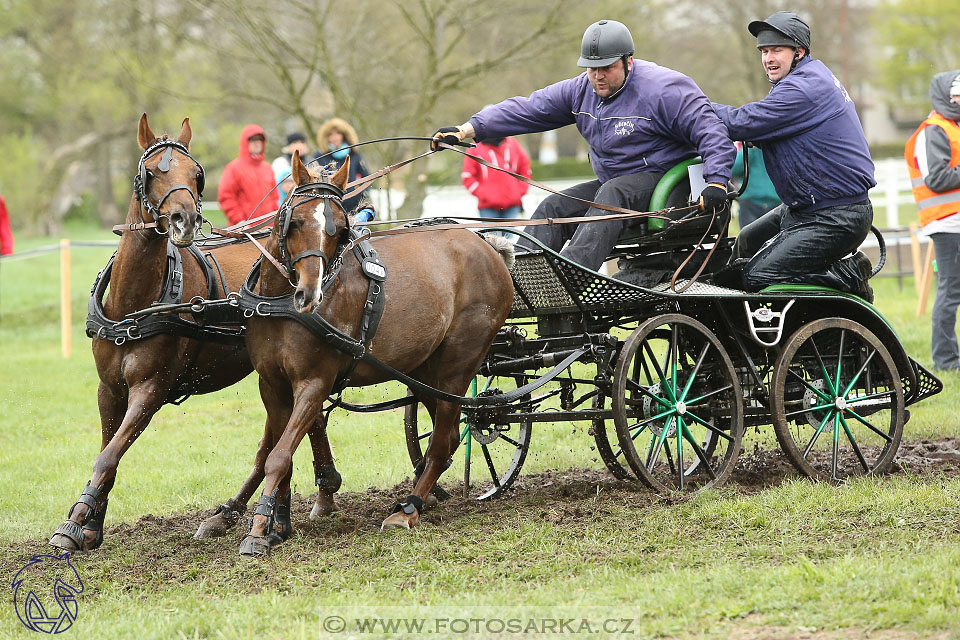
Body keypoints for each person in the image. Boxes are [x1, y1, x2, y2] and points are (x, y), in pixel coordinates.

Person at [431, 19, 735, 272]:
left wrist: (718, 182)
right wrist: (466, 129)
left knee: (612, 193)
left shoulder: (665, 89)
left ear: (629, 61)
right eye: (592, 68)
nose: (598, 76)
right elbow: (528, 108)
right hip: (616, 186)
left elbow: (711, 131)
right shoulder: (581, 89)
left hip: (669, 185)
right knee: (555, 206)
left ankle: (573, 279)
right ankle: (518, 278)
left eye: (607, 68)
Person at [712, 11, 876, 298]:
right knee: (746, 242)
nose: (768, 58)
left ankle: (850, 274)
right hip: (807, 207)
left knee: (756, 274)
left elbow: (741, 122)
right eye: (764, 51)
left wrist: (691, 107)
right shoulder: (804, 79)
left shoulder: (805, 87)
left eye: (777, 50)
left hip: (835, 216)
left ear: (798, 51)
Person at [905, 70, 960, 371]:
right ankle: (946, 361)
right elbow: (937, 179)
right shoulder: (933, 130)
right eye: (956, 95)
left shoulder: (953, 127)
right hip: (947, 224)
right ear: (943, 96)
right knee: (951, 291)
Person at [461, 134, 531, 236]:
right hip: (488, 206)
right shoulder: (474, 148)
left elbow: (525, 170)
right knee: (492, 243)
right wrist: (484, 194)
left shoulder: (512, 144)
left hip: (512, 205)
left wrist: (519, 192)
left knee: (509, 243)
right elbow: (468, 176)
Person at [218, 125, 279, 226]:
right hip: (244, 231)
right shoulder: (234, 168)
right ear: (245, 142)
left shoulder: (268, 168)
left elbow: (274, 198)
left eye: (259, 140)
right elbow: (226, 197)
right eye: (252, 140)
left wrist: (274, 221)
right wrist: (239, 221)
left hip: (268, 229)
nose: (256, 143)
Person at [312, 118, 371, 212]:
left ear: (344, 135)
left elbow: (367, 175)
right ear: (326, 137)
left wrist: (363, 192)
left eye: (338, 134)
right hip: (330, 203)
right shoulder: (320, 156)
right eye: (331, 134)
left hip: (353, 201)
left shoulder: (354, 153)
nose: (335, 137)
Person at [731, 143, 780, 228]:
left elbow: (734, 169)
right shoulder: (779, 145)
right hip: (773, 199)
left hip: (752, 199)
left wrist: (750, 147)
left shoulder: (750, 144)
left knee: (749, 239)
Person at [272, 132, 310, 202]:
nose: (299, 145)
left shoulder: (313, 162)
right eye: (295, 142)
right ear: (288, 146)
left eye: (302, 142)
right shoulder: (280, 162)